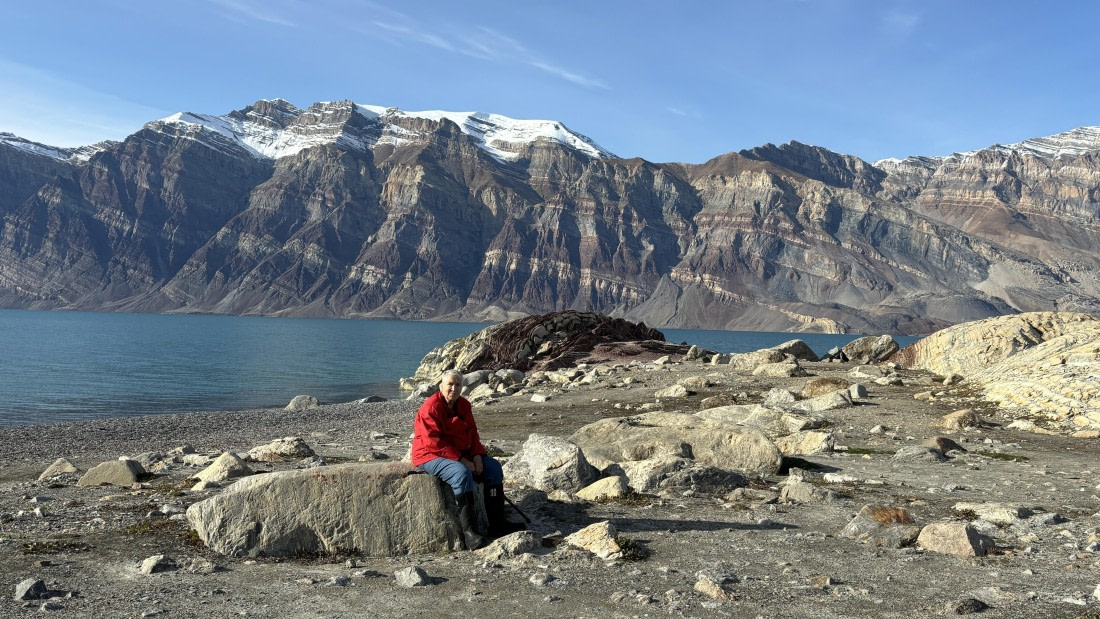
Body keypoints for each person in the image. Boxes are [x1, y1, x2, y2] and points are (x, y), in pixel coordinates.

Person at [411, 369, 524, 549]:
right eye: (450, 384)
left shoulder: (464, 405)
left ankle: (497, 524)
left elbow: (472, 433)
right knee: (461, 473)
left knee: (494, 469)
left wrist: (477, 456)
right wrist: (463, 461)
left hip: (462, 453)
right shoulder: (430, 407)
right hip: (430, 454)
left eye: (458, 384)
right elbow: (434, 442)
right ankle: (469, 533)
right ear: (441, 386)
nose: (454, 388)